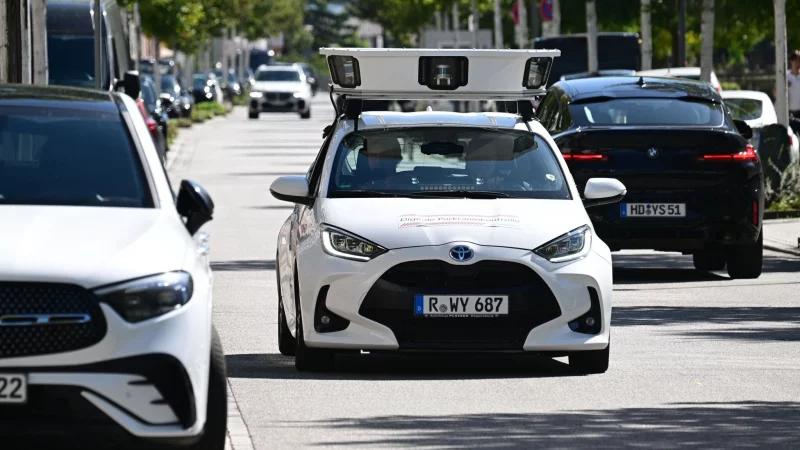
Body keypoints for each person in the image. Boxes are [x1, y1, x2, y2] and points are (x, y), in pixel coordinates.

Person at [787, 51, 800, 134]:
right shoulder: (786, 76)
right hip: (790, 114)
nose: (797, 62)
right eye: (795, 60)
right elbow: (776, 93)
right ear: (791, 61)